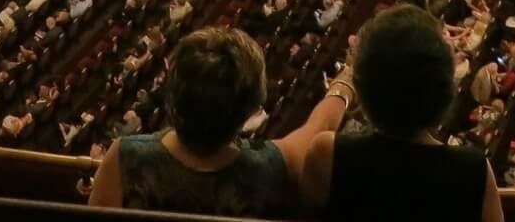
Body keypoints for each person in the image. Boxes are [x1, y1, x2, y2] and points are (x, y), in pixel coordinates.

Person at [87, 27, 348, 215]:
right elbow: (320, 126)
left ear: (174, 93)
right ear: (251, 107)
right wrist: (345, 83)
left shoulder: (126, 157)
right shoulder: (272, 165)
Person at [300, 6, 500, 221]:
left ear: (363, 86)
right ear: (445, 89)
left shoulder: (328, 154)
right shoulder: (474, 170)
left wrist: (339, 89)